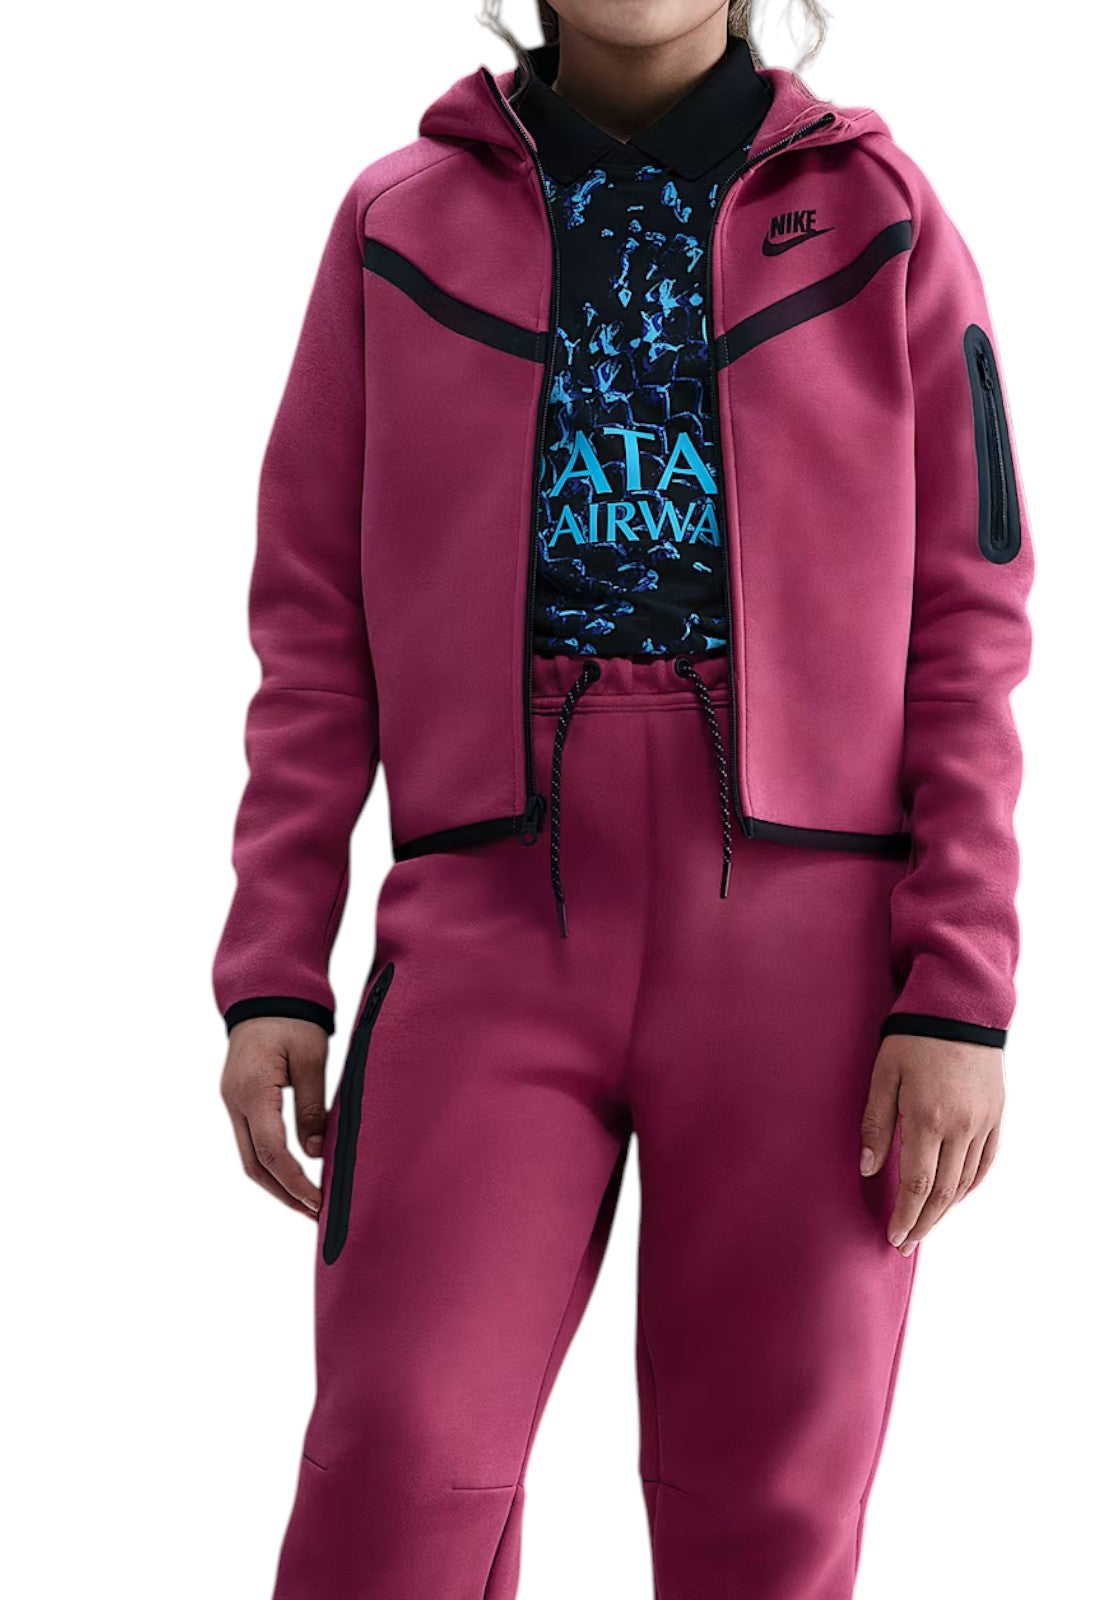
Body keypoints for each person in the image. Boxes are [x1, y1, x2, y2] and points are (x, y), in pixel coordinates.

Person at [214, 3, 1033, 1595]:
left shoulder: (884, 217)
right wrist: (272, 972)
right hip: (489, 917)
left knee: (766, 1512)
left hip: (811, 949)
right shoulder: (396, 223)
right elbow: (310, 624)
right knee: (401, 1467)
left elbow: (971, 622)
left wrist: (961, 995)